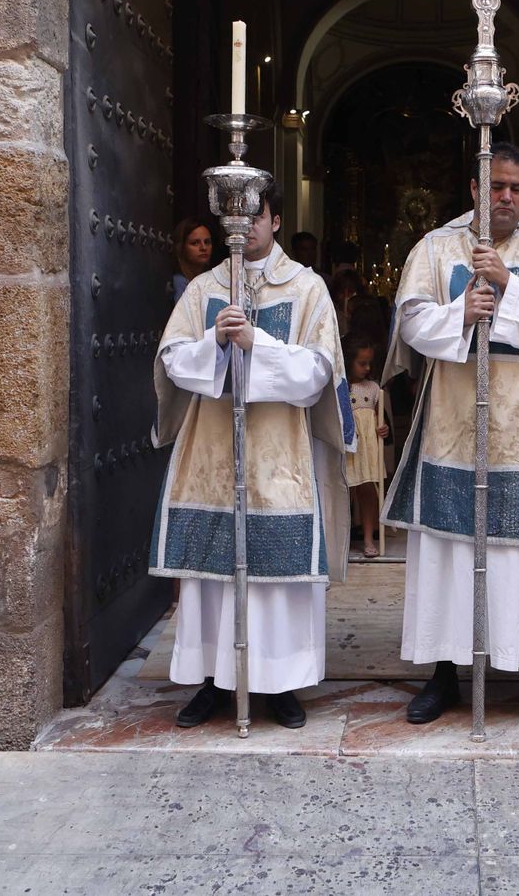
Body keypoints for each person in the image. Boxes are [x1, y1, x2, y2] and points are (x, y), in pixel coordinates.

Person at [383, 140, 519, 730]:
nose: (506, 197)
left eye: (516, 188)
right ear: (475, 187)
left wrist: (507, 287)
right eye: (496, 186)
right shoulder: (435, 247)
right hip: (453, 425)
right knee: (448, 554)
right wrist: (461, 314)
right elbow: (410, 321)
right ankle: (443, 673)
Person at [149, 179, 354, 730]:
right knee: (212, 578)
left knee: (277, 580)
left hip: (279, 454)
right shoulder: (204, 290)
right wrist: (215, 343)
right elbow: (172, 360)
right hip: (212, 454)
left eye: (256, 216)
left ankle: (281, 685)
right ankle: (214, 682)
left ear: (276, 220)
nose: (246, 227)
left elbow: (317, 374)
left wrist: (255, 345)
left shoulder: (307, 289)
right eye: (235, 218)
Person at [344, 332, 389, 559]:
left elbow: (382, 419)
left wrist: (383, 428)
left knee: (368, 491)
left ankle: (369, 538)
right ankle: (341, 540)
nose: (367, 368)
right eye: (362, 363)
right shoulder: (341, 387)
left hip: (368, 449)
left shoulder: (373, 388)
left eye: (370, 363)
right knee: (343, 491)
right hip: (349, 447)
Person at [171, 217, 215, 303]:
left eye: (207, 242)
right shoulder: (179, 282)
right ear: (182, 247)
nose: (203, 248)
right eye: (195, 243)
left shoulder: (212, 280)